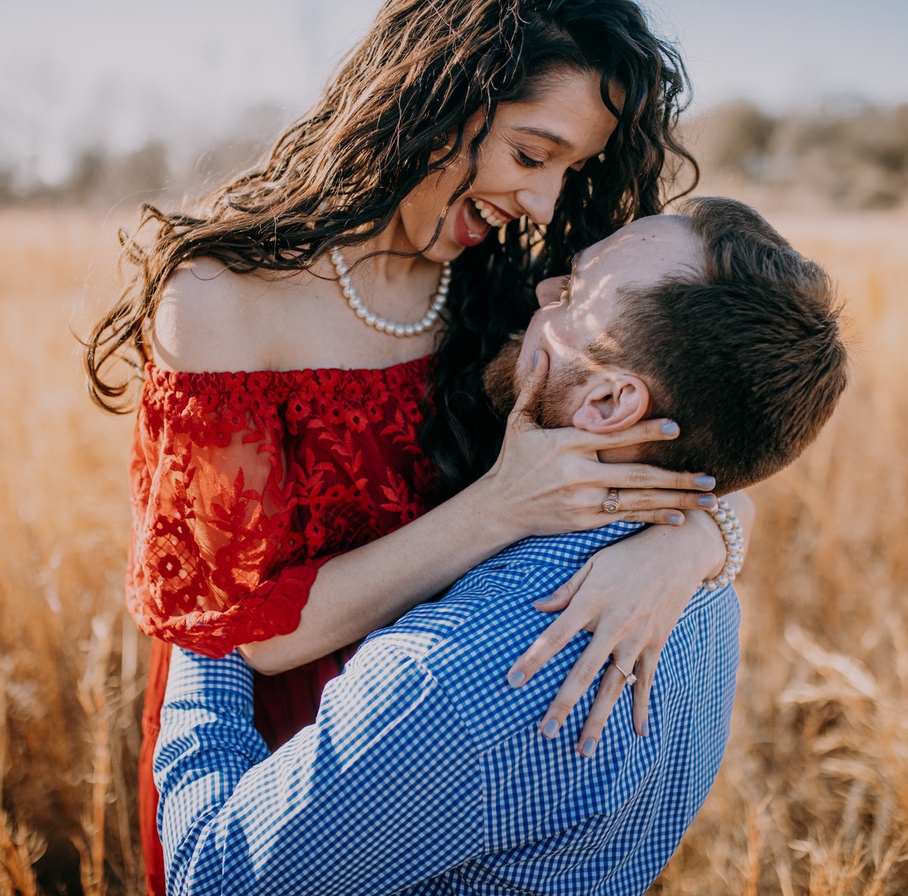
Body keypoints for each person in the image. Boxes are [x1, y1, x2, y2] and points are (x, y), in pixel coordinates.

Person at [86, 2, 739, 890]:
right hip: (272, 749)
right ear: (435, 96)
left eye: (568, 170)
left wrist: (692, 542)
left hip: (462, 738)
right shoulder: (222, 296)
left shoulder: (513, 292)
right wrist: (500, 508)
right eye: (532, 154)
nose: (542, 202)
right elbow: (244, 638)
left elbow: (712, 439)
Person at [154, 200, 849, 894]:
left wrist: (204, 602)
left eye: (572, 296)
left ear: (609, 404)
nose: (544, 291)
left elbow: (211, 879)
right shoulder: (705, 602)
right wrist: (708, 533)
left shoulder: (446, 680)